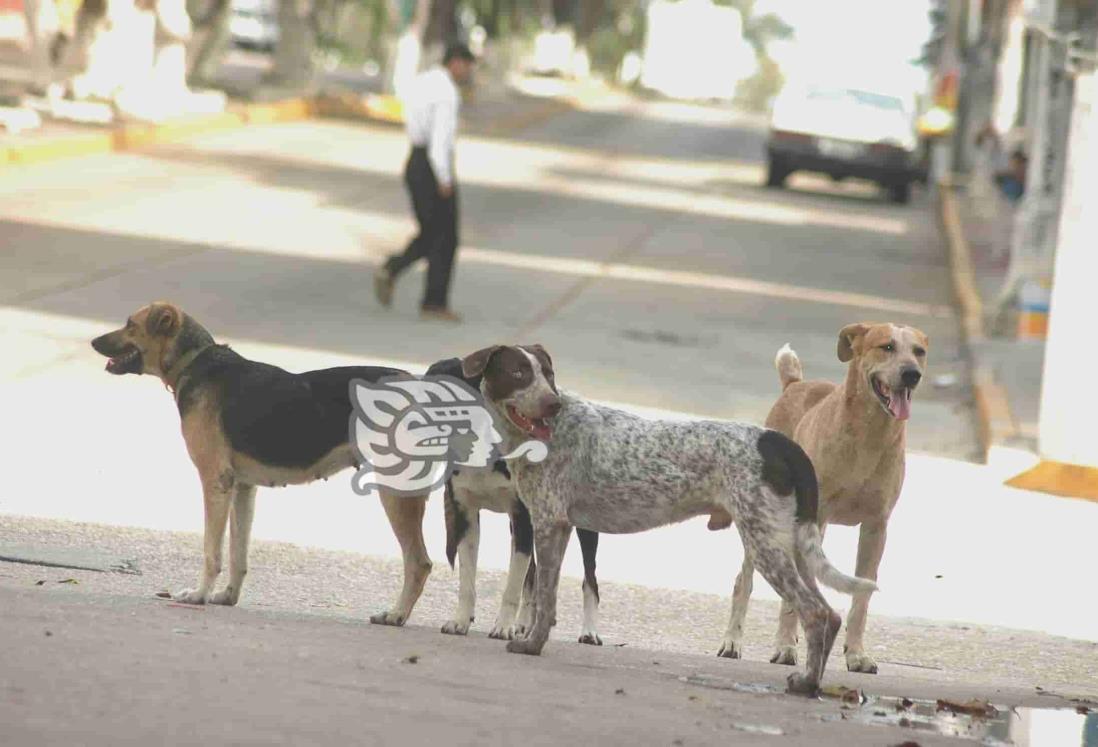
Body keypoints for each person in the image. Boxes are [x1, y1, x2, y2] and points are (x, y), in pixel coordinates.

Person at [374, 42, 476, 323]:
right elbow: (440, 142)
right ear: (455, 62)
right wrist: (444, 178)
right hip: (432, 166)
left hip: (415, 161)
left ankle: (392, 270)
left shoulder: (424, 81)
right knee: (446, 237)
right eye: (467, 66)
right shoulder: (447, 93)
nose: (467, 72)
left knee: (431, 232)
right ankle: (434, 301)